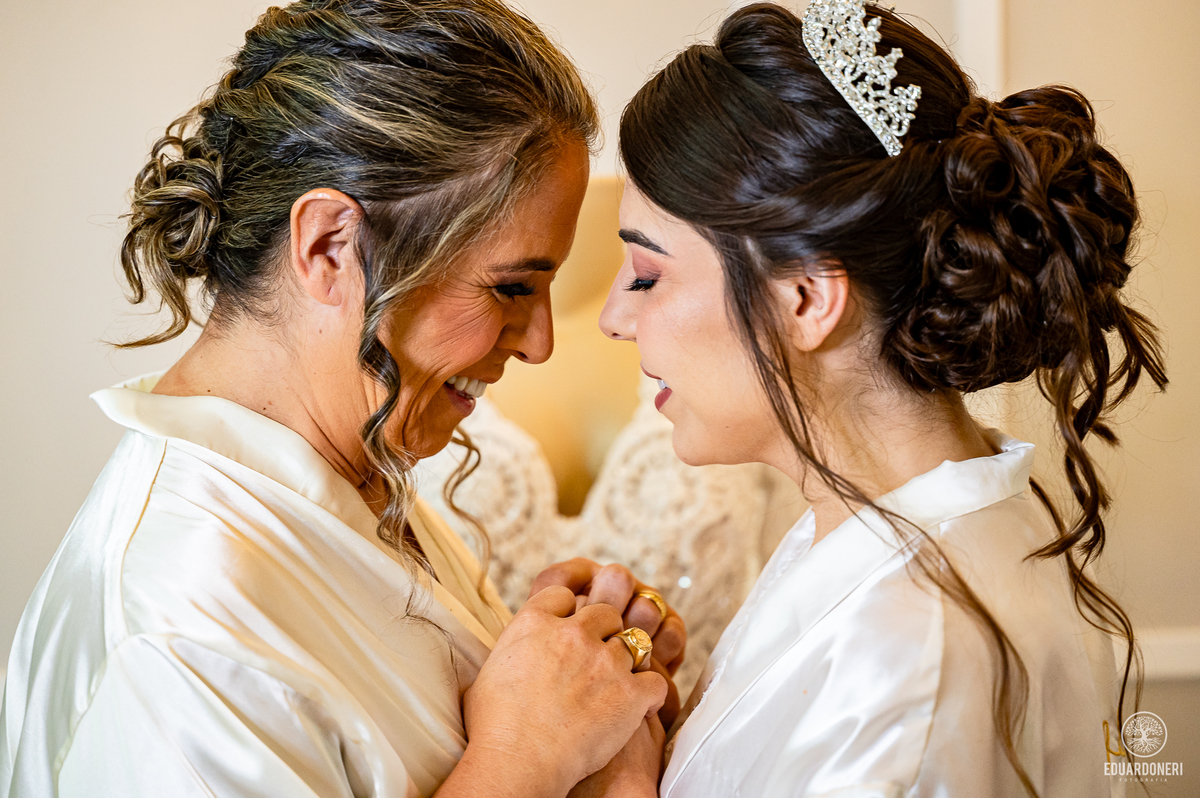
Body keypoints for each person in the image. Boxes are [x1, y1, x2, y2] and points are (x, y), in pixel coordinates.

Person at [0, 2, 684, 796]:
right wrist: (524, 757)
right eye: (508, 288)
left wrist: (585, 699)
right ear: (329, 245)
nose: (539, 344)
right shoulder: (179, 623)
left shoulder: (346, 477)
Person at [600, 1, 1167, 796]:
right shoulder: (896, 527)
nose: (613, 318)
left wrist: (621, 782)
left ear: (805, 299)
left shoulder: (906, 656)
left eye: (648, 275)